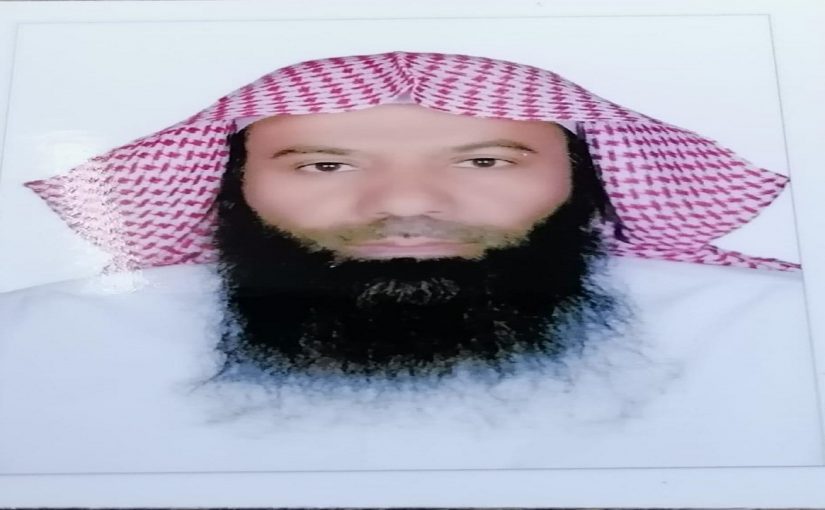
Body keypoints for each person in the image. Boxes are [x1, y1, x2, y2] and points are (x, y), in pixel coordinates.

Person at [0, 51, 816, 473]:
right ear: (230, 184)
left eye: (484, 162)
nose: (404, 203)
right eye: (325, 165)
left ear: (586, 178)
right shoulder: (37, 343)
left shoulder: (780, 331)